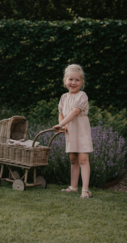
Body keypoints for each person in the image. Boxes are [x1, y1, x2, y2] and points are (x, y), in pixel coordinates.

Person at [53, 64, 93, 198]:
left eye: (77, 80)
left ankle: (85, 190)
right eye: (70, 79)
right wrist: (62, 124)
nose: (73, 83)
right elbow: (61, 113)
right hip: (70, 132)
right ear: (65, 81)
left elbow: (75, 112)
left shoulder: (82, 95)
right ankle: (73, 187)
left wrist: (61, 124)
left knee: (83, 159)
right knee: (73, 159)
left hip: (81, 131)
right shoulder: (63, 97)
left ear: (82, 82)